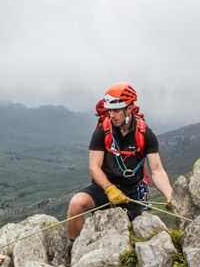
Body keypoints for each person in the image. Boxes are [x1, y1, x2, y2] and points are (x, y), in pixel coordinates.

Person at [66, 82, 172, 254]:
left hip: (133, 190)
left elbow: (157, 170)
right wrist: (109, 188)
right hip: (105, 185)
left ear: (129, 109)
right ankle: (74, 251)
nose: (112, 115)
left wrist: (169, 196)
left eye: (116, 110)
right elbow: (94, 166)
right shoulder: (103, 130)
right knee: (76, 204)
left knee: (138, 231)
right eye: (110, 110)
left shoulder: (145, 134)